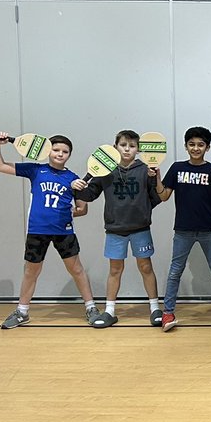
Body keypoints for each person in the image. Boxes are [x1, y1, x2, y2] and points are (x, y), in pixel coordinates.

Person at [0, 132, 98, 329]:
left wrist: (76, 194)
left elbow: (82, 210)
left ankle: (91, 308)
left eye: (65, 151)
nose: (60, 154)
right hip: (37, 230)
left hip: (63, 231)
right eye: (56, 149)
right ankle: (22, 312)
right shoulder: (35, 170)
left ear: (69, 155)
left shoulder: (73, 178)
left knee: (76, 269)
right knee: (31, 271)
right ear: (48, 151)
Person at [71, 129, 163, 328]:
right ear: (115, 147)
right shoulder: (105, 169)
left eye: (131, 146)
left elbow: (156, 198)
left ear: (138, 149)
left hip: (140, 228)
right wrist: (77, 188)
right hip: (115, 229)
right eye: (123, 145)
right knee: (115, 270)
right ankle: (110, 311)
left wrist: (153, 179)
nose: (127, 149)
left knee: (146, 267)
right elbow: (89, 195)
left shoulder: (146, 169)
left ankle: (155, 308)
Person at [154, 127, 211, 332]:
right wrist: (156, 176)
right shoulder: (177, 168)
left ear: (207, 147)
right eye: (192, 144)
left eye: (200, 145)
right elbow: (163, 196)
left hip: (210, 230)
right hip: (183, 230)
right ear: (185, 146)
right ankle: (168, 313)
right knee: (175, 272)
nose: (195, 148)